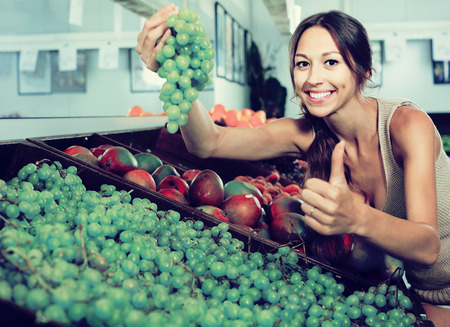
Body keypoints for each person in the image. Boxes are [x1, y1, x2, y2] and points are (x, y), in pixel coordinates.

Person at [136, 4, 450, 325]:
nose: (314, 78)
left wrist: (356, 217)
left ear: (363, 69)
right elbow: (208, 143)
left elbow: (427, 246)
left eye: (331, 62)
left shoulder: (406, 125)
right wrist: (177, 78)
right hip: (426, 293)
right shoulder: (303, 133)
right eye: (303, 64)